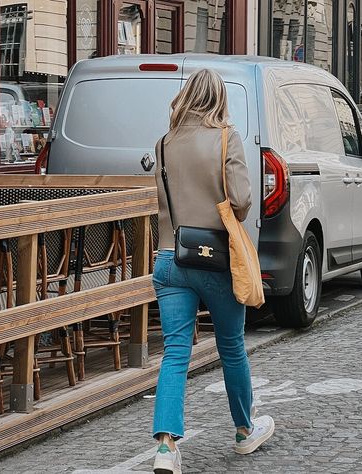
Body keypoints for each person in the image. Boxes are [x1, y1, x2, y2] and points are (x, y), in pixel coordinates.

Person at [152, 69, 275, 474]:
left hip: (169, 258)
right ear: (219, 99)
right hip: (214, 260)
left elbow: (163, 203)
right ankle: (244, 430)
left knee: (174, 353)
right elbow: (240, 200)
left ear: (187, 96)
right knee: (231, 347)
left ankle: (167, 448)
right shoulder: (226, 137)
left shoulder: (165, 143)